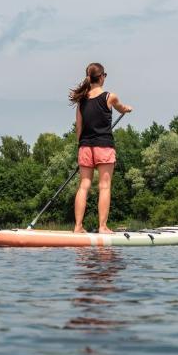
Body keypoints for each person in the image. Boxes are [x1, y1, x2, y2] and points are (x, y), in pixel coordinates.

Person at [69, 63, 132, 233]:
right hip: (103, 146)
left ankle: (78, 226)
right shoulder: (109, 97)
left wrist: (81, 146)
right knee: (104, 186)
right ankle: (102, 227)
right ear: (102, 76)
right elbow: (121, 108)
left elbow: (79, 128)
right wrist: (128, 109)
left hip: (85, 147)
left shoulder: (81, 100)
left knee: (84, 185)